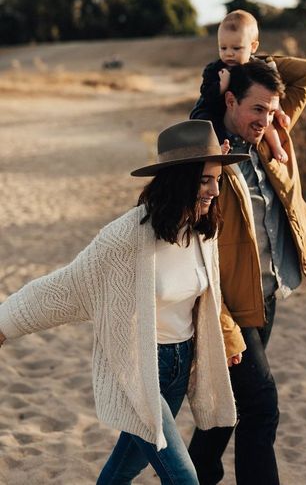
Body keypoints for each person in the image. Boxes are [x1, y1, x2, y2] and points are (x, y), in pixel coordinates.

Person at [0, 120, 249, 485]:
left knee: (122, 471)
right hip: (140, 367)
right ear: (178, 180)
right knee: (184, 478)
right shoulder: (125, 239)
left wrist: (228, 336)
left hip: (180, 365)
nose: (214, 190)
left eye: (217, 179)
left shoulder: (202, 232)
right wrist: (4, 322)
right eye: (203, 180)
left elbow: (208, 298)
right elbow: (66, 286)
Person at [188, 58, 306, 485]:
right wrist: (223, 328)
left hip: (265, 295)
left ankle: (194, 476)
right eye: (256, 108)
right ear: (229, 100)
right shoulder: (208, 158)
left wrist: (246, 61)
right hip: (229, 308)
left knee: (230, 405)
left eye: (271, 109)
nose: (265, 118)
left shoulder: (267, 137)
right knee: (261, 405)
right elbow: (194, 254)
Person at [191, 9, 291, 163]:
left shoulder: (258, 68)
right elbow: (206, 94)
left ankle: (277, 147)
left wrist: (280, 112)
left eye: (236, 48)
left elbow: (273, 94)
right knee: (210, 124)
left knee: (267, 121)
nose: (229, 54)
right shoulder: (215, 69)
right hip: (212, 108)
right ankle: (219, 149)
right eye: (223, 48)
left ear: (253, 47)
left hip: (241, 110)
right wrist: (221, 86)